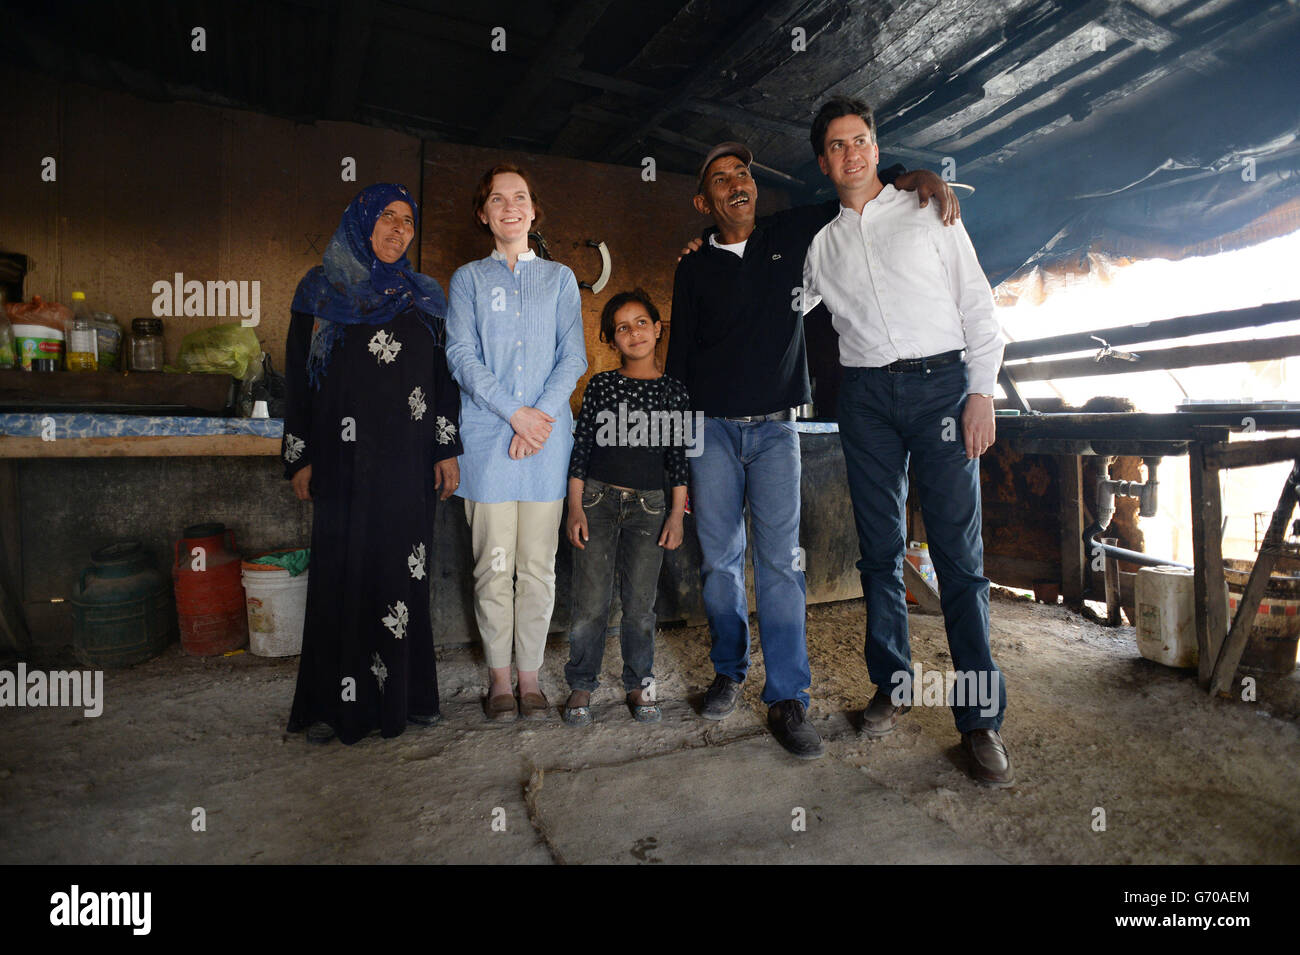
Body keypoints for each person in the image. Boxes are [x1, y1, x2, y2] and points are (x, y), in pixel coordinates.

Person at [667, 141, 958, 760]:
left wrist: (918, 177)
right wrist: (678, 456)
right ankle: (728, 670)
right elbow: (679, 362)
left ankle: (788, 698)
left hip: (776, 432)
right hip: (710, 431)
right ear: (704, 201)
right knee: (719, 562)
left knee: (781, 565)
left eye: (742, 173)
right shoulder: (692, 267)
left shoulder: (792, 232)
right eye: (720, 179)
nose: (736, 183)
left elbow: (859, 190)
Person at [801, 96, 1012, 786]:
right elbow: (770, 301)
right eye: (836, 145)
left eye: (860, 140)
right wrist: (708, 251)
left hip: (943, 388)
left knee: (958, 555)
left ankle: (979, 720)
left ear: (874, 145)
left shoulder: (929, 209)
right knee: (880, 549)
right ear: (823, 160)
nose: (850, 154)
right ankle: (893, 683)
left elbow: (978, 303)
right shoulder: (820, 244)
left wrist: (981, 391)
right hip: (864, 398)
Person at [283, 182, 463, 746]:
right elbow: (298, 380)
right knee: (344, 574)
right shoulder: (320, 289)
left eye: (407, 222)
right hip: (341, 462)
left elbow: (444, 381)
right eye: (387, 217)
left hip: (407, 464)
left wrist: (446, 447)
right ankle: (338, 707)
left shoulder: (426, 296)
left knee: (402, 574)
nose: (397, 230)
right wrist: (300, 455)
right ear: (361, 221)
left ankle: (409, 699)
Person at [445, 163, 587, 722]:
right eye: (498, 199)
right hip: (488, 443)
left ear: (533, 210)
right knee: (492, 566)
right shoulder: (468, 280)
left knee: (538, 566)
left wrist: (538, 420)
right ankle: (498, 681)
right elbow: (461, 356)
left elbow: (572, 356)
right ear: (484, 214)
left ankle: (530, 678)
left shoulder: (559, 279)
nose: (510, 207)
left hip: (546, 444)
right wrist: (515, 416)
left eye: (520, 197)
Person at [562, 289, 690, 726]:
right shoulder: (601, 385)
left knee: (640, 605)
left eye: (641, 323)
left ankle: (640, 683)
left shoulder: (675, 391)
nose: (633, 332)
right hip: (597, 501)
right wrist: (574, 507)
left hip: (651, 509)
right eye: (622, 327)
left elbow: (678, 458)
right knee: (590, 603)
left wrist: (676, 513)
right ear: (610, 339)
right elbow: (580, 450)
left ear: (657, 329)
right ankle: (582, 682)